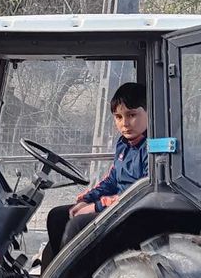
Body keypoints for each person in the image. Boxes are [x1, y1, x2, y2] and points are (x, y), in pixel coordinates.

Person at [41, 82, 149, 268]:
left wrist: (95, 207)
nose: (124, 123)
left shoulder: (153, 147)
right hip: (117, 207)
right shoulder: (124, 144)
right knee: (57, 215)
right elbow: (112, 180)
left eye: (132, 115)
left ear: (149, 112)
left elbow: (142, 192)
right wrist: (87, 199)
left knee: (77, 225)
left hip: (133, 213)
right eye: (118, 117)